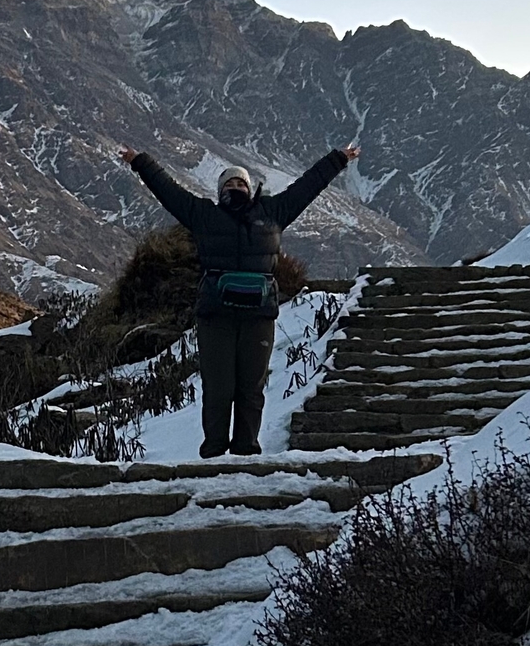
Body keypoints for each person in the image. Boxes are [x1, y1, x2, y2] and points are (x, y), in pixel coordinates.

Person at [118, 140, 361, 457]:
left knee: (251, 388)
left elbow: (307, 186)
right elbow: (169, 191)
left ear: (250, 188)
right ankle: (214, 450)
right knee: (218, 388)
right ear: (219, 191)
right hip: (215, 316)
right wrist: (140, 161)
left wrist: (337, 159)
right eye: (229, 184)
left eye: (240, 183)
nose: (235, 188)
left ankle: (246, 449)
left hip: (258, 316)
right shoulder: (203, 215)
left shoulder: (273, 212)